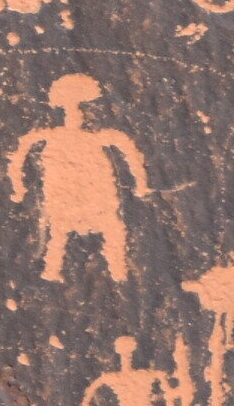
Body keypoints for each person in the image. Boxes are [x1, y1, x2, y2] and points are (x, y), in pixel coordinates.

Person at [16, 73, 151, 285]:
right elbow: (128, 151)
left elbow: (20, 154)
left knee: (62, 233)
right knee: (72, 231)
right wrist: (141, 184)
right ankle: (115, 272)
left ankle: (61, 271)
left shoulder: (57, 138)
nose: (77, 113)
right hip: (81, 202)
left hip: (86, 202)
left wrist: (19, 186)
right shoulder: (91, 138)